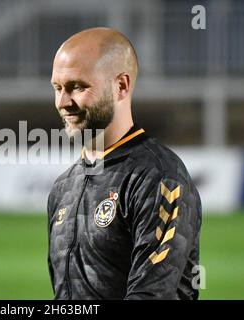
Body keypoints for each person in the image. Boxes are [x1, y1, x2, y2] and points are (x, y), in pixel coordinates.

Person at [47, 27, 202, 300]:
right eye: (57, 88)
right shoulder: (63, 188)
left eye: (77, 87)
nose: (62, 102)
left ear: (121, 86)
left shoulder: (160, 177)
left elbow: (151, 295)